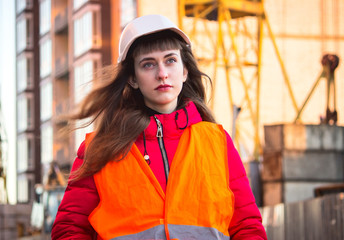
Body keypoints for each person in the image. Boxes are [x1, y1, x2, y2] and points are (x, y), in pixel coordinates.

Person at [51, 14, 267, 240]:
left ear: (184, 71)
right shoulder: (97, 150)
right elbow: (68, 230)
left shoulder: (218, 143)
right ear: (133, 79)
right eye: (148, 64)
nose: (162, 73)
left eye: (170, 60)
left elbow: (247, 227)